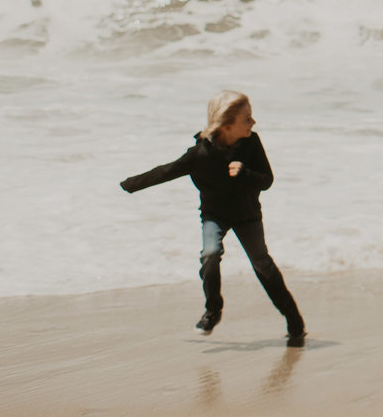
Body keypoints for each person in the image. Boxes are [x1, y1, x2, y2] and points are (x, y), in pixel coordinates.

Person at [121, 90, 306, 347]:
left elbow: (267, 181)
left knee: (262, 264)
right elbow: (167, 171)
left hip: (247, 215)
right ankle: (213, 310)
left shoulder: (252, 143)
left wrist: (245, 173)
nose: (253, 123)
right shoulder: (200, 154)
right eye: (247, 119)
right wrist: (128, 185)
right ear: (227, 125)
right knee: (210, 253)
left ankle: (294, 321)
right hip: (215, 215)